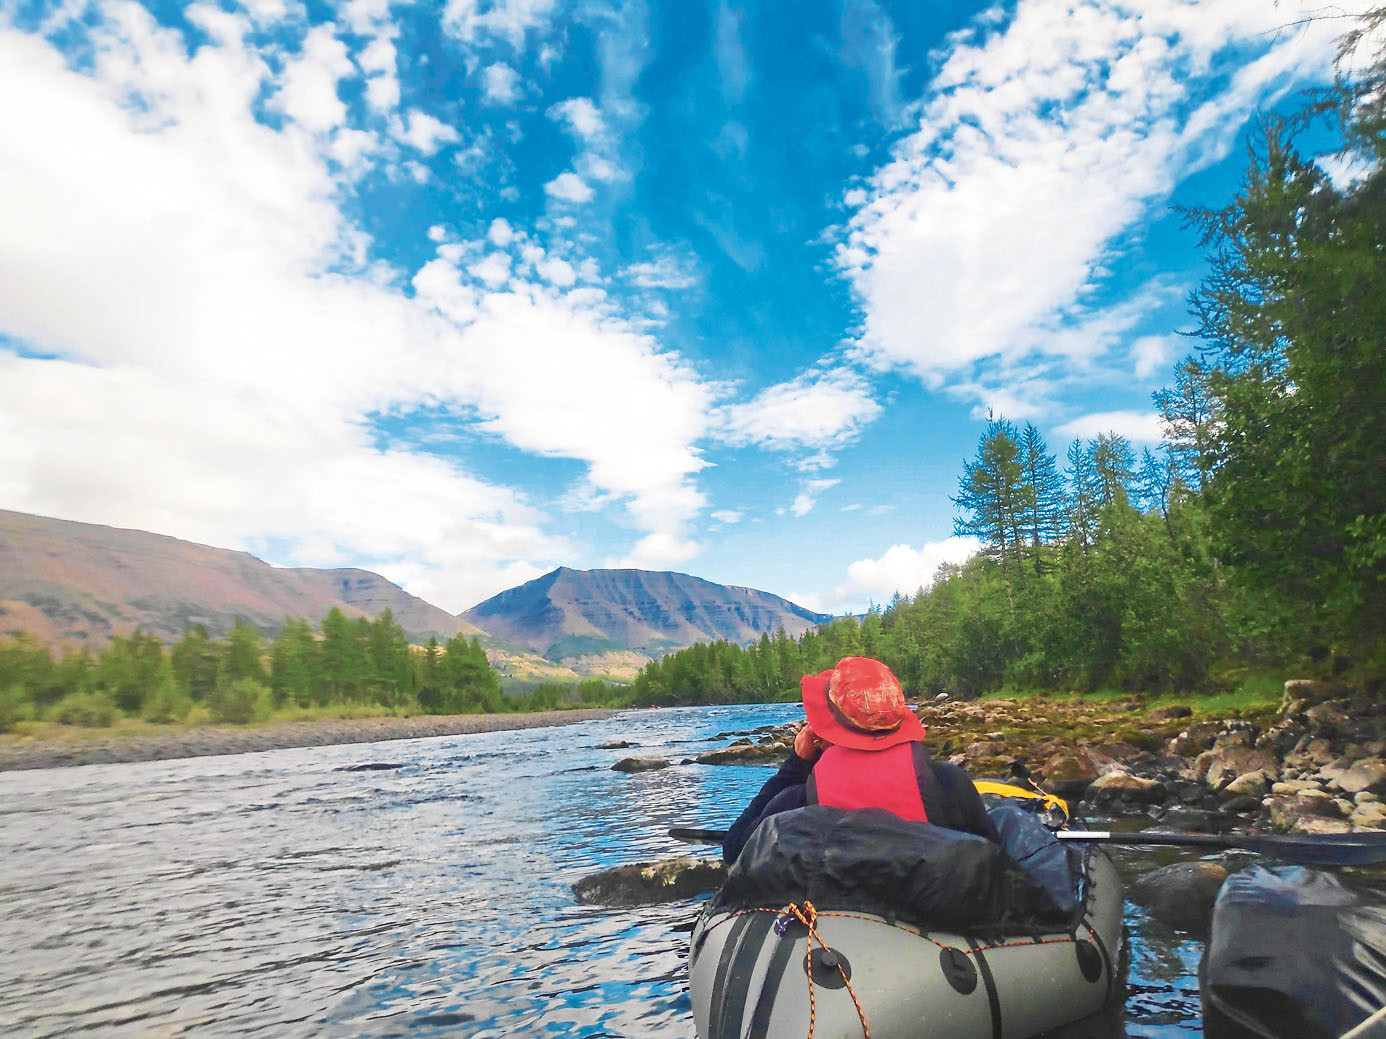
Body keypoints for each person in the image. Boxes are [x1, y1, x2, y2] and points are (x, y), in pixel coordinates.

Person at [723, 655, 997, 864]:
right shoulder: (949, 782)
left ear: (824, 733)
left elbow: (734, 849)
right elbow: (992, 857)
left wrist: (795, 765)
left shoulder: (798, 800)